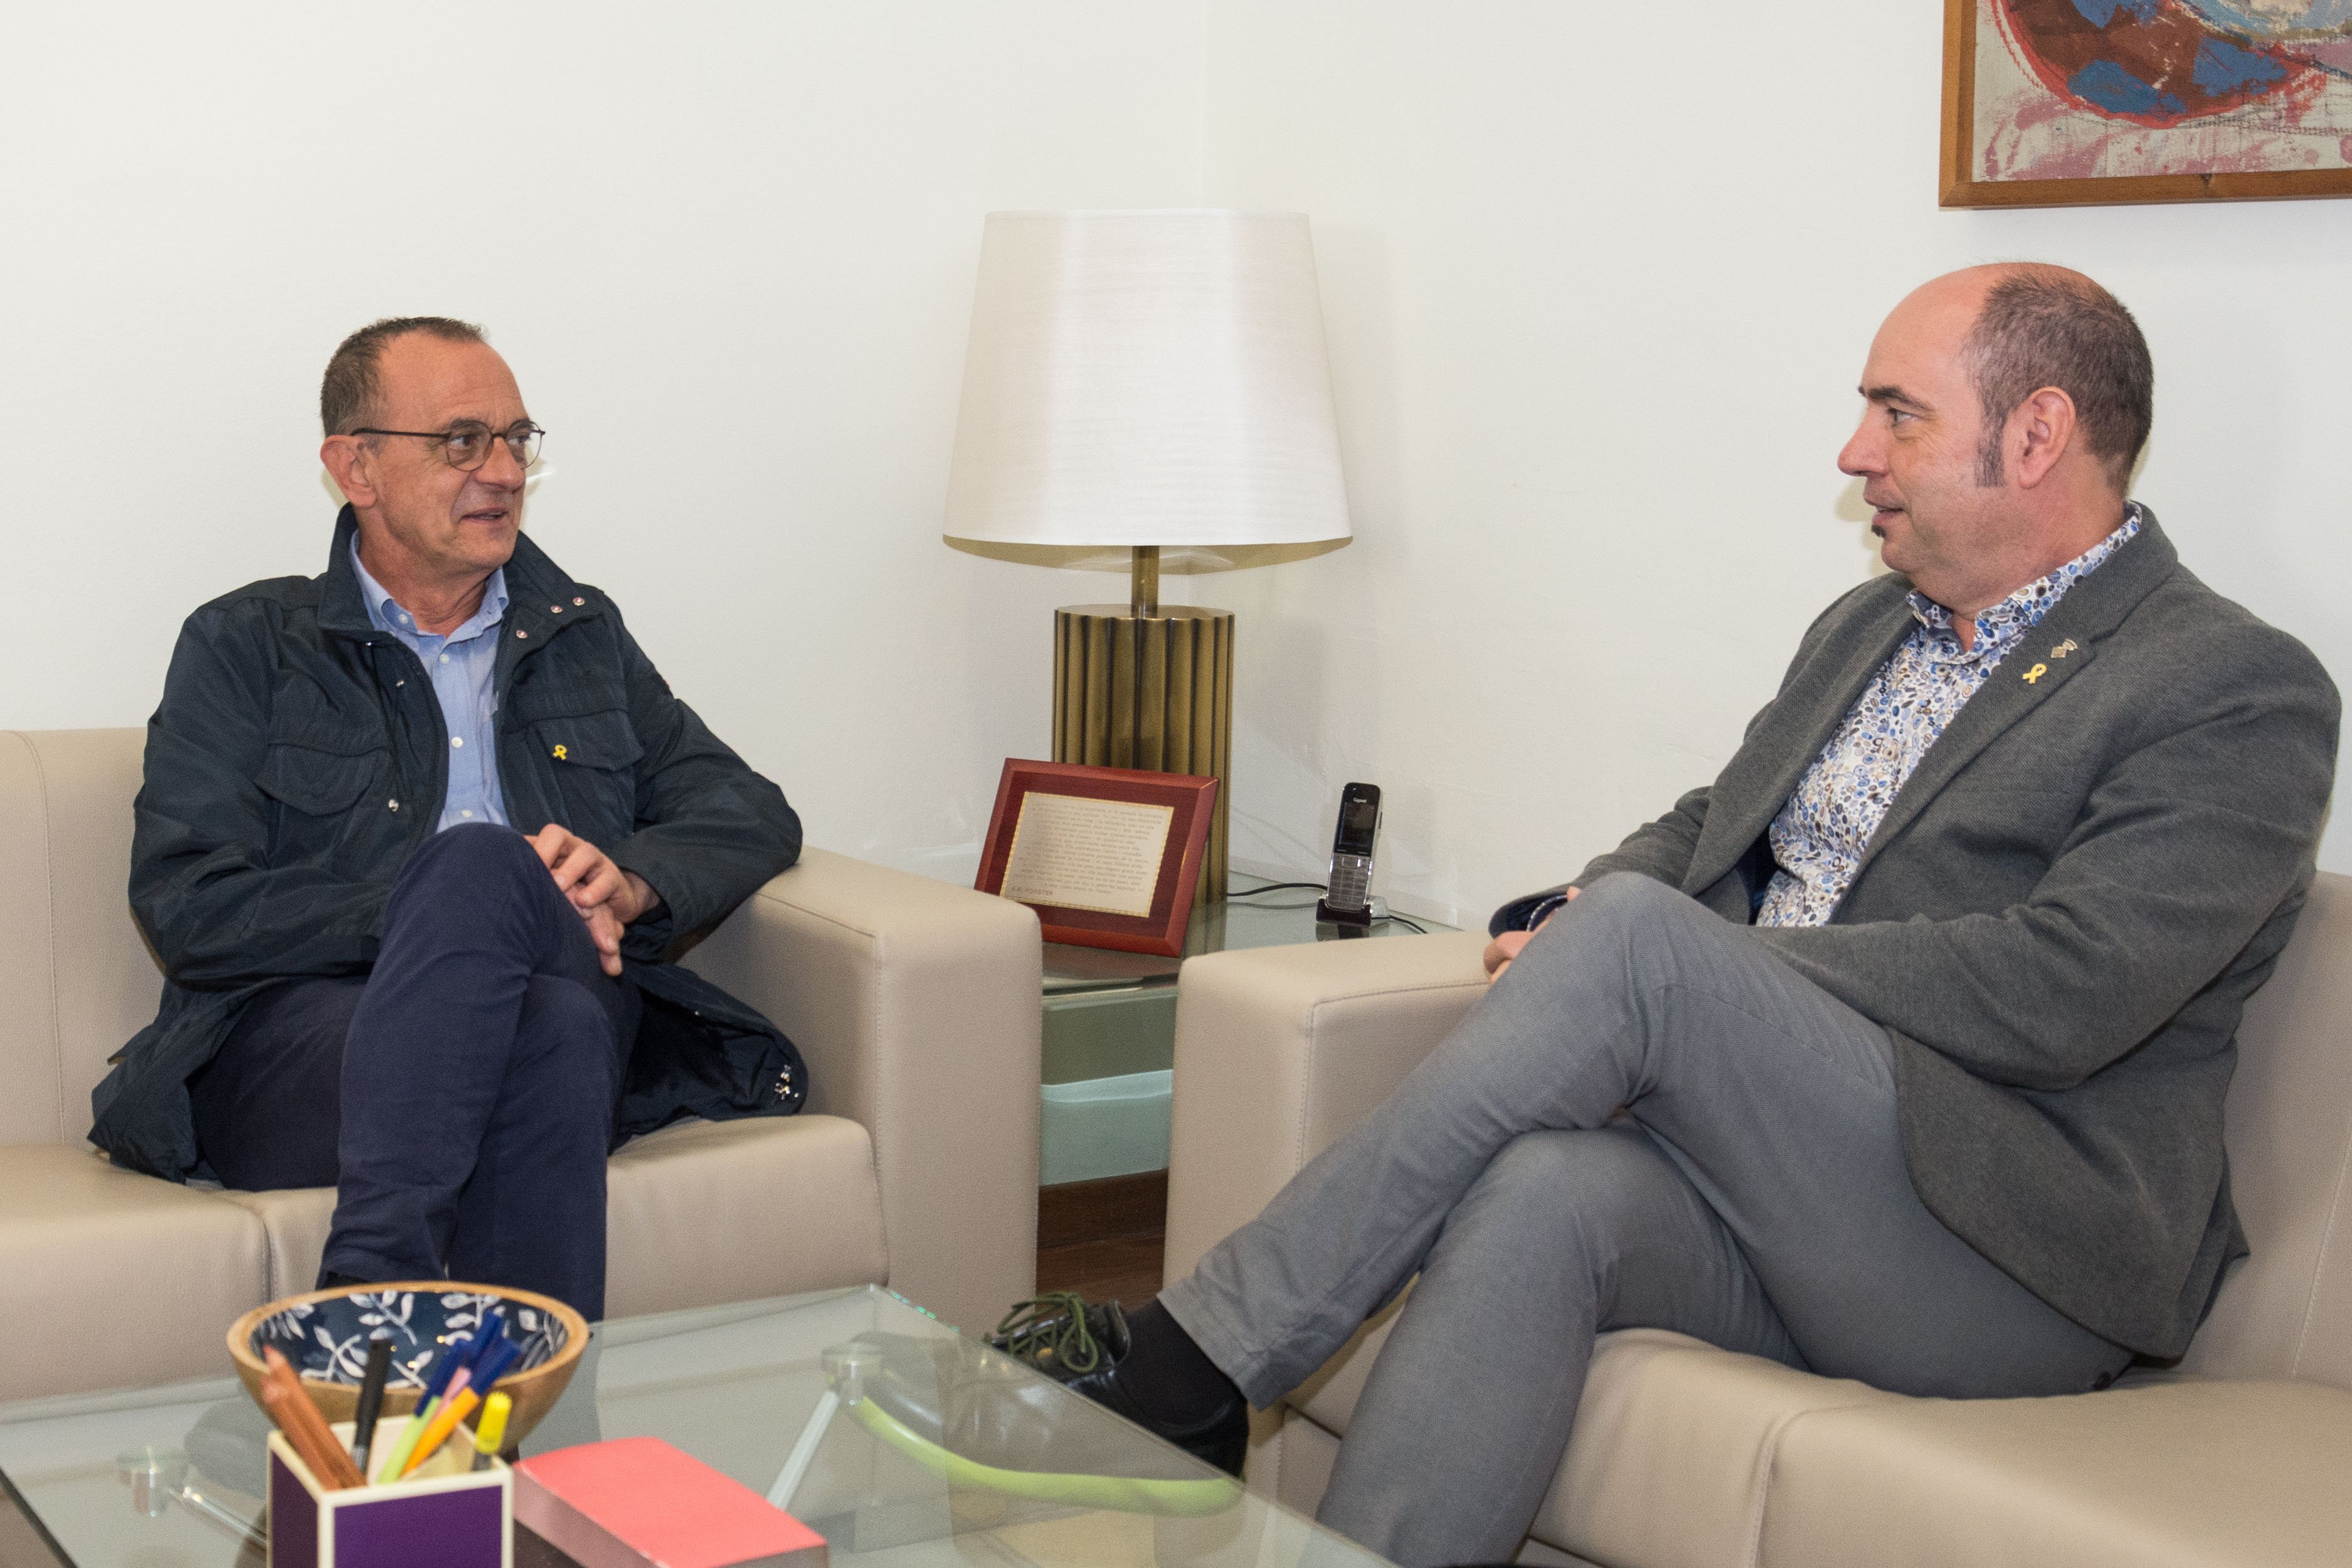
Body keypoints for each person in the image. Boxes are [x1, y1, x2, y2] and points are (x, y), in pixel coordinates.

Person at [995, 265, 2341, 1565]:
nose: (1856, 454)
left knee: (1643, 944)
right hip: (1803, 1199)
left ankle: (1195, 1361)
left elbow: (2071, 986)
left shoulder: (2230, 685)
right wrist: (1578, 912)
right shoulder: (1873, 625)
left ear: (2037, 433)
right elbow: (1716, 820)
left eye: (1898, 414)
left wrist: (1689, 964)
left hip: (2013, 1251)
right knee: (1543, 1187)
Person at [91, 317, 806, 1323]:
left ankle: (369, 1305)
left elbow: (745, 809)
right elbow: (190, 905)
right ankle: (525, 1405)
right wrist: (440, 910)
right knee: (523, 971)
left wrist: (631, 882)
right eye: (462, 441)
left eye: (516, 439)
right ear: (356, 468)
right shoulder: (246, 644)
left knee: (515, 936)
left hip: (564, 984)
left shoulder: (580, 635)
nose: (503, 471)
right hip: (305, 1039)